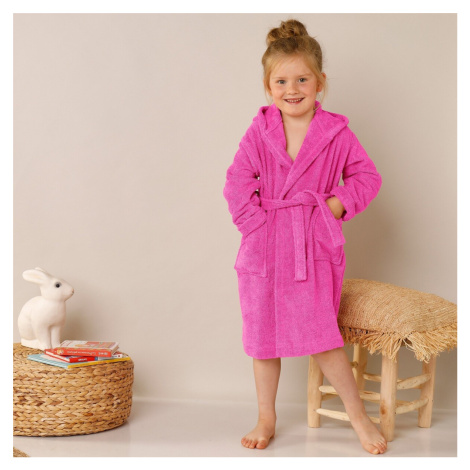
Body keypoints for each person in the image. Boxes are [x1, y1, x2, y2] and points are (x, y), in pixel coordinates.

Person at [222, 19, 386, 454]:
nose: (292, 89)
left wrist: (334, 207)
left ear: (320, 82)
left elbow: (367, 177)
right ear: (267, 87)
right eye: (281, 81)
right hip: (264, 247)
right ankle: (266, 417)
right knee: (263, 339)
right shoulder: (260, 131)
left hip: (312, 245)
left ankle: (359, 416)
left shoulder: (336, 133)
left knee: (323, 338)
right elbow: (237, 181)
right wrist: (256, 226)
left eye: (302, 79)